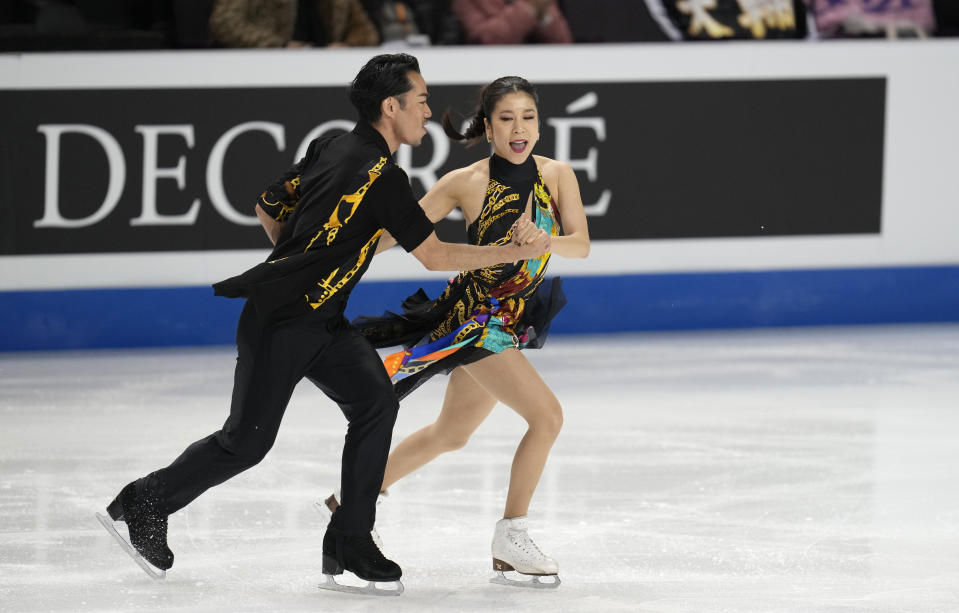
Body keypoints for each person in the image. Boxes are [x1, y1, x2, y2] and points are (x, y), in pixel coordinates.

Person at [95, 54, 551, 596]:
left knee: (376, 404)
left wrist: (300, 261)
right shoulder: (383, 177)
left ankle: (350, 541)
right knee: (246, 443)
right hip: (281, 323)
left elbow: (267, 206)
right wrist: (508, 251)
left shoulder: (329, 146)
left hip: (323, 322)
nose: (428, 111)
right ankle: (145, 501)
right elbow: (433, 257)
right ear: (391, 107)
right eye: (421, 100)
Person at [321, 75, 590, 587]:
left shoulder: (557, 176)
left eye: (528, 117)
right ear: (488, 126)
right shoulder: (465, 181)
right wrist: (332, 249)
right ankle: (511, 535)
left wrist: (545, 241)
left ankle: (347, 504)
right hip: (475, 319)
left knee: (451, 434)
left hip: (512, 318)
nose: (520, 129)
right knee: (547, 416)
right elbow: (398, 235)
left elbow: (581, 244)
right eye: (507, 118)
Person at [209, 0, 379, 48]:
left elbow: (366, 31)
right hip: (265, 68)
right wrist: (279, 44)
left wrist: (344, 45)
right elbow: (224, 23)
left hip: (321, 69)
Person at [451, 0, 573, 44]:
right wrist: (530, 9)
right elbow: (487, 39)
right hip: (486, 70)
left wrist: (543, 14)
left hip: (536, 70)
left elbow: (562, 39)